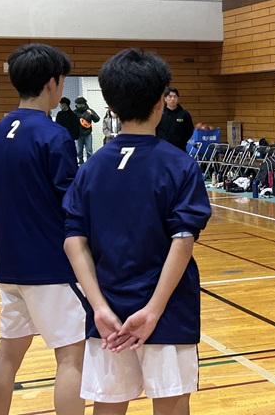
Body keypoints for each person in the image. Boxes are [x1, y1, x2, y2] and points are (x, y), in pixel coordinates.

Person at [63, 48, 212, 414]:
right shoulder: (179, 165)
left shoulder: (91, 167)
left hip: (109, 313)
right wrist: (153, 311)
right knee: (172, 404)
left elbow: (73, 241)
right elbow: (183, 241)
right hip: (169, 309)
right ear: (161, 101)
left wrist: (98, 308)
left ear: (111, 106)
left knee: (108, 405)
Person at [0, 43, 86, 415]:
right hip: (49, 267)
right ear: (52, 82)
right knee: (72, 358)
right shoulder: (53, 135)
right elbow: (71, 203)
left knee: (8, 354)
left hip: (9, 266)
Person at [155, 86, 194, 151]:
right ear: (165, 98)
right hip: (162, 147)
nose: (172, 99)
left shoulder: (184, 114)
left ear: (177, 98)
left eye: (175, 96)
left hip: (179, 148)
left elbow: (189, 130)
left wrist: (182, 141)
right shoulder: (159, 114)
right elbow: (155, 129)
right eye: (170, 96)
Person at [73, 96, 100, 164]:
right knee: (79, 150)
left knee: (89, 150)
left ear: (84, 104)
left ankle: (90, 163)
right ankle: (80, 162)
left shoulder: (89, 111)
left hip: (88, 133)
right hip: (78, 134)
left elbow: (97, 119)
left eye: (81, 104)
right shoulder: (74, 112)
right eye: (78, 104)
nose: (79, 105)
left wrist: (92, 114)